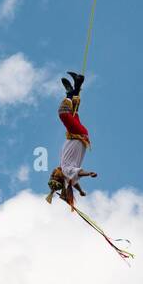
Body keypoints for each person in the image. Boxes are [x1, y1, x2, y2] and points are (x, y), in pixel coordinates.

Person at [45, 72, 98, 207]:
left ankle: (77, 85)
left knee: (73, 112)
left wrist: (80, 191)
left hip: (76, 135)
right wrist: (88, 173)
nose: (53, 171)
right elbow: (77, 173)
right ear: (59, 176)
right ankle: (71, 92)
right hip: (78, 135)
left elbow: (73, 182)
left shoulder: (68, 176)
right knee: (63, 113)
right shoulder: (66, 170)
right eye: (54, 174)